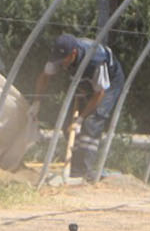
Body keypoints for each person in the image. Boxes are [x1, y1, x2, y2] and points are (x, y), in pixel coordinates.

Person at [34, 32, 124, 181]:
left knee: (93, 120)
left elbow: (99, 93)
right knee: (68, 122)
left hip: (109, 83)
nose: (61, 64)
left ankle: (85, 173)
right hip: (84, 81)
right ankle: (75, 168)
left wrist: (81, 119)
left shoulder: (95, 61)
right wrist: (36, 103)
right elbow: (44, 77)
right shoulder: (59, 57)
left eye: (64, 60)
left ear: (73, 53)